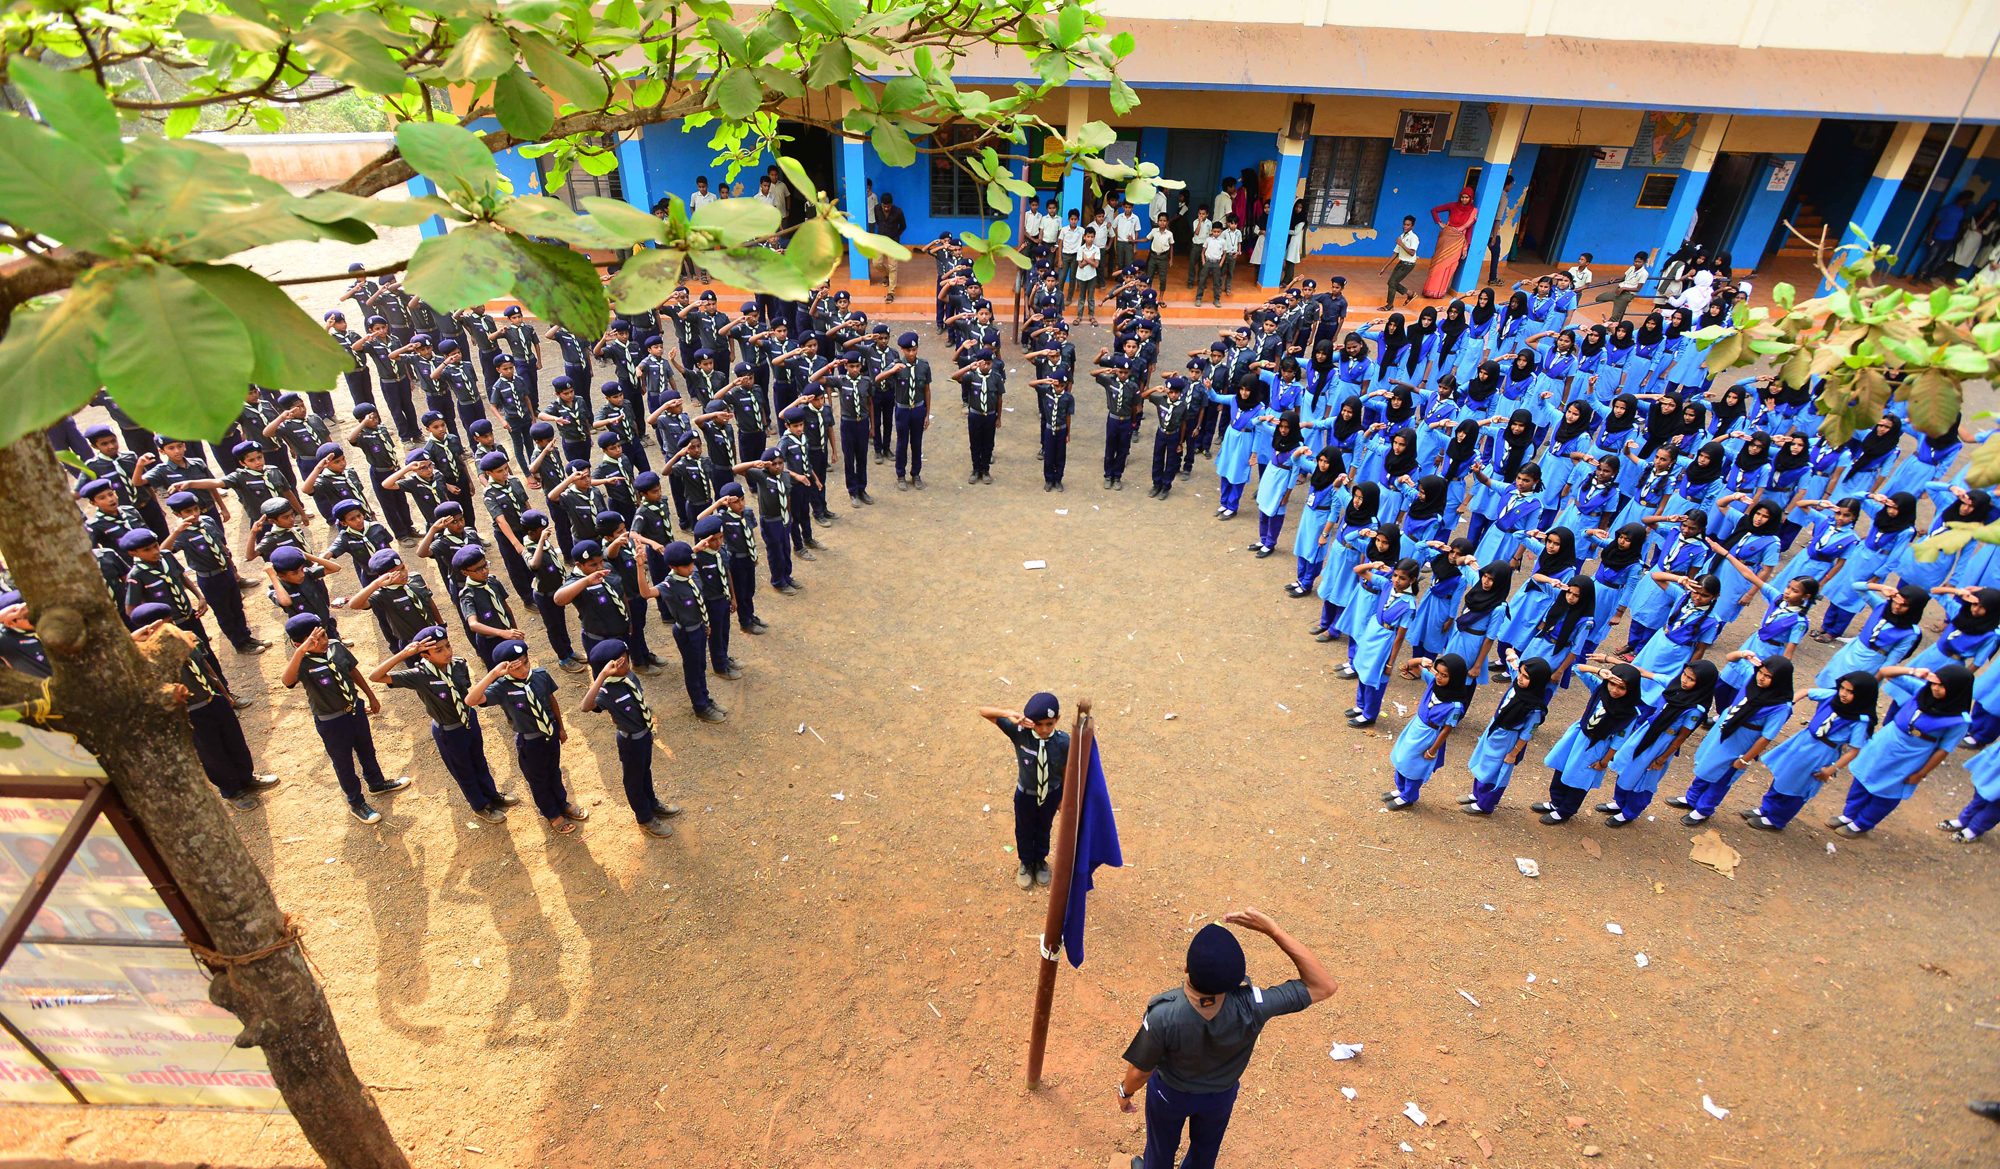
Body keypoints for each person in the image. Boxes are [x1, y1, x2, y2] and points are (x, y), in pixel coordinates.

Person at [1116, 909, 1335, 1169]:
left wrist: (1124, 1092)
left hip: (1170, 1095)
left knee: (1160, 1148)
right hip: (1220, 1097)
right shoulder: (1254, 1005)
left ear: (1186, 967)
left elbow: (1140, 1073)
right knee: (1205, 1152)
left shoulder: (1164, 1014)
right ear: (1236, 978)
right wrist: (1273, 931)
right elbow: (1323, 986)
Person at [369, 627, 518, 822]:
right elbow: (375, 676)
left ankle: (491, 795)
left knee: (479, 761)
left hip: (468, 720)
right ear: (425, 655)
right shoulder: (418, 675)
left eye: (448, 645)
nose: (447, 652)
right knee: (463, 770)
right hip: (448, 731)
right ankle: (480, 806)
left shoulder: (458, 665)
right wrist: (405, 654)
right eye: (438, 650)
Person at [279, 613, 410, 823]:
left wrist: (370, 695)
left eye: (322, 635)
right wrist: (301, 651)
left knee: (366, 748)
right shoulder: (301, 662)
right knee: (344, 763)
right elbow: (287, 681)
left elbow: (352, 671)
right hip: (332, 721)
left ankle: (376, 783)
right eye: (315, 640)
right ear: (298, 644)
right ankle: (356, 803)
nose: (322, 642)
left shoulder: (335, 647)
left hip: (354, 709)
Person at [468, 640, 589, 834]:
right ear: (505, 668)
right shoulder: (502, 686)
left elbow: (551, 700)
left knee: (554, 772)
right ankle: (551, 813)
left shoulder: (540, 675)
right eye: (516, 666)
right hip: (530, 743)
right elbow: (471, 700)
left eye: (526, 662)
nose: (524, 669)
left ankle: (562, 803)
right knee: (538, 779)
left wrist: (561, 728)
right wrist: (494, 674)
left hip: (550, 733)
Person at [578, 639, 683, 837]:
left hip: (644, 735)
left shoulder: (629, 677)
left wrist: (649, 731)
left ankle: (652, 803)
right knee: (633, 780)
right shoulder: (606, 691)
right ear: (607, 668)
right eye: (619, 663)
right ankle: (644, 818)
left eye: (626, 660)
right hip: (630, 741)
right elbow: (585, 707)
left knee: (645, 773)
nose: (626, 665)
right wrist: (601, 676)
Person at [976, 692, 1069, 890]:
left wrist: (1063, 796)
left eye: (1049, 724)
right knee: (1024, 830)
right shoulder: (1019, 732)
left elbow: (1065, 770)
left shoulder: (1063, 742)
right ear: (1029, 721)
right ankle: (1026, 863)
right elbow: (983, 711)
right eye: (1038, 724)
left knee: (1044, 828)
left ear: (1057, 720)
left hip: (1051, 794)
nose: (1044, 729)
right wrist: (1010, 713)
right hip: (1025, 795)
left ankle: (1040, 862)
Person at [1422, 189, 1477, 298]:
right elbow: (1434, 210)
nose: (1464, 200)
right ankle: (1430, 290)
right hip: (1446, 237)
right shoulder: (1453, 205)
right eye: (1462, 197)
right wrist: (1440, 223)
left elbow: (1469, 230)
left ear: (1471, 198)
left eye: (1467, 197)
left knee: (1450, 265)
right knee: (1438, 263)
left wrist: (1466, 246)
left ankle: (1439, 291)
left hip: (1458, 241)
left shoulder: (1473, 211)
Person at [1594, 252, 1649, 322]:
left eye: (1639, 262)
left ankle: (1609, 329)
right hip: (1618, 291)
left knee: (1615, 316)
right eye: (1636, 261)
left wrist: (1624, 288)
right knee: (1599, 298)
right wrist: (1615, 279)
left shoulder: (1644, 273)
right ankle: (1616, 303)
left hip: (1626, 294)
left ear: (1644, 262)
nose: (1637, 264)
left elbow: (1638, 289)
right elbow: (1624, 277)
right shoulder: (1631, 268)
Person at [1381, 215, 1420, 309]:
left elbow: (1412, 252)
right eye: (1404, 224)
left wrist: (1401, 243)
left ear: (1412, 226)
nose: (1405, 227)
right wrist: (1385, 267)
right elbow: (1395, 253)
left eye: (1408, 225)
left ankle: (1390, 305)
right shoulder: (1401, 236)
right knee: (1392, 282)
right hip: (1401, 263)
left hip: (1408, 264)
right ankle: (1410, 293)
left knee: (1392, 282)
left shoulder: (1413, 237)